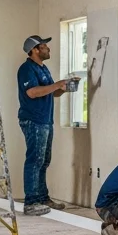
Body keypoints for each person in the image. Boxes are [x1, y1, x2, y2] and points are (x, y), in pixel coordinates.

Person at [17, 35, 75, 216]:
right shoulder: (26, 69)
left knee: (44, 160)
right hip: (33, 120)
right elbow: (33, 92)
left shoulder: (43, 68)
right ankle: (31, 202)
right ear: (34, 50)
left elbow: (51, 94)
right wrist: (56, 84)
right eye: (44, 46)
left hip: (45, 120)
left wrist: (62, 88)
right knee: (35, 160)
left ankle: (42, 197)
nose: (48, 49)